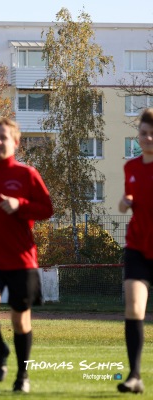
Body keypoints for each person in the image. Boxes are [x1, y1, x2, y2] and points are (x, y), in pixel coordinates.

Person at [0, 116, 53, 393]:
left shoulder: (27, 175)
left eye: (3, 137)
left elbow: (46, 209)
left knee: (20, 320)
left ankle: (23, 376)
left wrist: (20, 204)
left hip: (21, 259)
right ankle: (0, 349)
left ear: (15, 141)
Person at [117, 107, 153, 394]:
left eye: (152, 134)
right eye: (143, 133)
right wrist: (124, 202)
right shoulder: (130, 167)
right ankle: (134, 376)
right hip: (137, 247)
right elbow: (124, 201)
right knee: (133, 308)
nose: (148, 138)